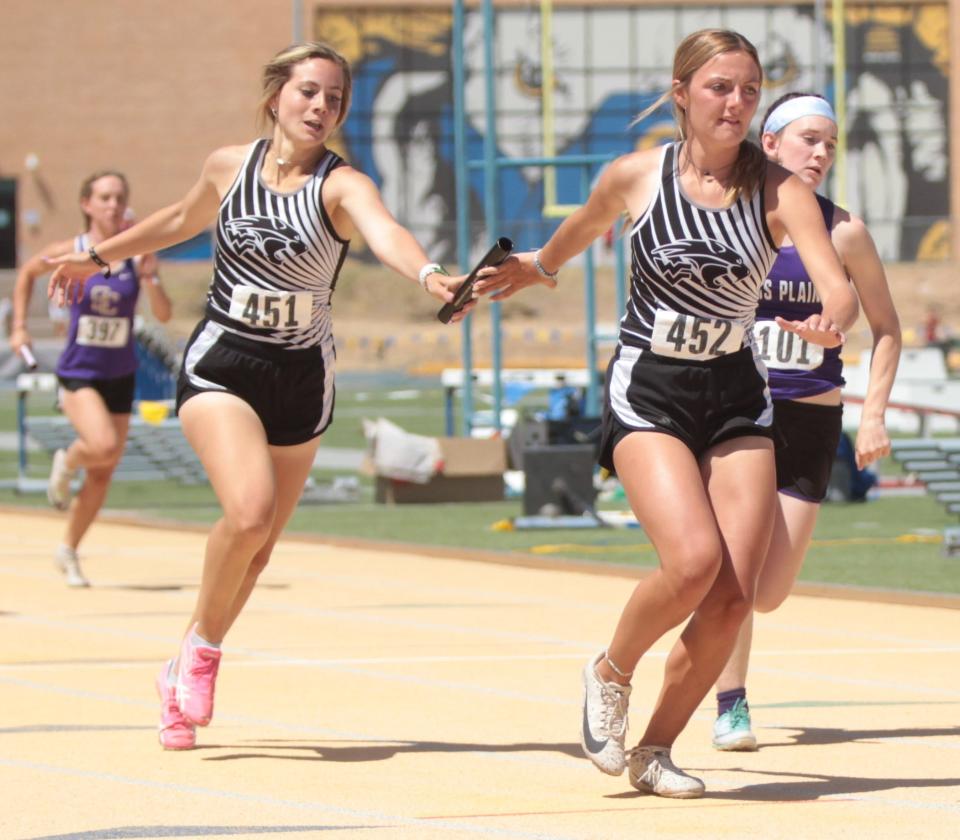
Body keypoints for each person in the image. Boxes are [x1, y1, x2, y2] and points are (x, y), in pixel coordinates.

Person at [47, 42, 472, 751]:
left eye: (334, 100)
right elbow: (181, 219)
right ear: (276, 94)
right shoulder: (228, 165)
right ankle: (206, 656)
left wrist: (430, 275)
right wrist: (99, 254)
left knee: (261, 549)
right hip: (226, 362)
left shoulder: (341, 186)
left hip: (301, 378)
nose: (320, 108)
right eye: (308, 92)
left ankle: (180, 667)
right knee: (247, 515)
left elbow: (386, 232)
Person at [476, 29, 859, 798]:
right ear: (681, 92)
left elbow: (835, 281)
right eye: (721, 86)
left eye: (750, 89)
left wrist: (832, 318)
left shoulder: (780, 191)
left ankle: (654, 749)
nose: (738, 102)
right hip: (649, 390)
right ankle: (610, 670)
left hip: (735, 394)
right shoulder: (634, 178)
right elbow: (579, 231)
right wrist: (538, 268)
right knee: (690, 564)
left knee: (731, 595)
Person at [711, 92, 901, 751]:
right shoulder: (732, 220)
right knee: (732, 571)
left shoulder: (844, 231)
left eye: (830, 144)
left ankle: (715, 651)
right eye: (808, 140)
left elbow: (887, 331)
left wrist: (872, 416)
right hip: (739, 417)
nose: (820, 153)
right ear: (770, 145)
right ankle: (729, 701)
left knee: (767, 593)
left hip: (811, 421)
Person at [10, 171, 172, 587]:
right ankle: (67, 459)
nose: (113, 206)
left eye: (119, 198)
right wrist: (19, 328)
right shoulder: (71, 250)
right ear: (86, 204)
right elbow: (28, 273)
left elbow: (165, 314)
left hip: (120, 372)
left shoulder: (137, 256)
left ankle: (68, 550)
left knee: (104, 471)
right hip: (79, 372)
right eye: (104, 198)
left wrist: (151, 277)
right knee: (100, 445)